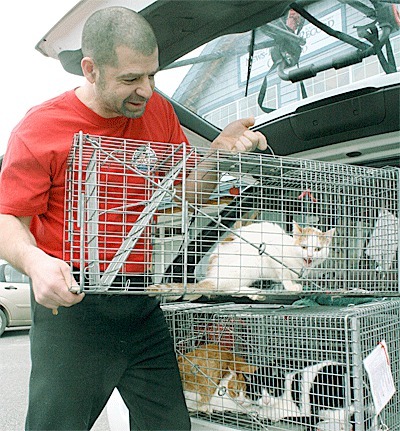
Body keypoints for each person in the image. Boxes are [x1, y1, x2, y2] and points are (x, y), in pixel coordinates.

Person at [0, 7, 267, 431]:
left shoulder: (156, 111)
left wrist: (217, 153)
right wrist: (36, 265)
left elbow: (187, 192)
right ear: (90, 70)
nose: (145, 90)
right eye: (130, 79)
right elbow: (7, 219)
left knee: (170, 426)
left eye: (152, 76)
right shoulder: (41, 129)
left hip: (141, 305)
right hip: (73, 310)